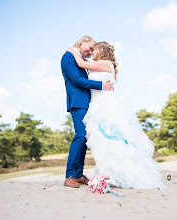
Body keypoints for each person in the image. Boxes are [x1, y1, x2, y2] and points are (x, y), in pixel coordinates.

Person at [66, 42, 165, 189]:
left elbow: (81, 63)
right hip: (96, 105)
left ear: (102, 51)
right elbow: (85, 63)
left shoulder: (106, 64)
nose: (92, 52)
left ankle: (118, 174)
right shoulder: (100, 64)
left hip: (105, 107)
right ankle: (109, 174)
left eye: (94, 50)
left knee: (110, 141)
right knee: (102, 142)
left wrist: (71, 51)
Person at [61, 36, 114, 188]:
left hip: (88, 103)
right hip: (78, 102)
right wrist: (101, 85)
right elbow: (77, 80)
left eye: (93, 50)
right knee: (80, 135)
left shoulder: (80, 59)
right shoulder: (68, 56)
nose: (90, 52)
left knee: (86, 137)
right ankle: (69, 175)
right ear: (82, 41)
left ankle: (78, 174)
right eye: (89, 48)